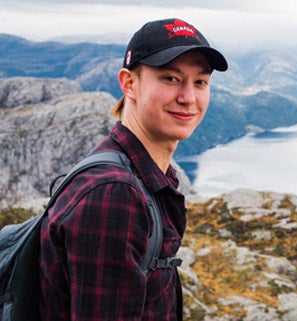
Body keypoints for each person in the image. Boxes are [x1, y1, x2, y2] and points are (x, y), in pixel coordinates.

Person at [39, 18, 228, 321]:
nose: (188, 97)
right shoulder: (113, 195)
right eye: (170, 78)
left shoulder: (142, 178)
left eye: (200, 82)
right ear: (129, 84)